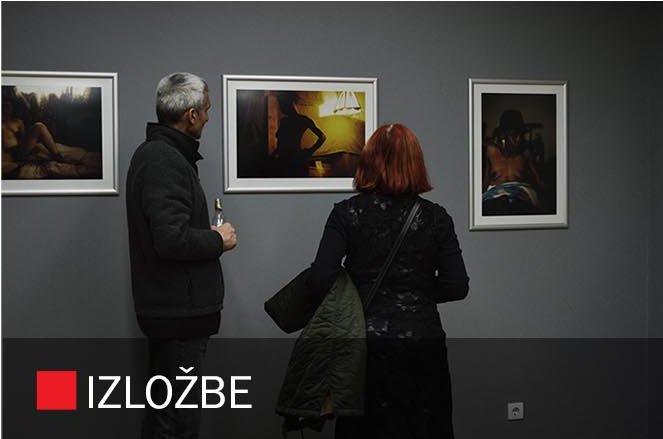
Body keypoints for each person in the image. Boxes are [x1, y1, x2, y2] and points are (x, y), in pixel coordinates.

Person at [306, 123, 469, 438]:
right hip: (422, 341)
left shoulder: (346, 214)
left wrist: (359, 293)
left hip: (365, 344)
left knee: (364, 429)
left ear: (367, 162)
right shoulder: (436, 217)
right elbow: (457, 285)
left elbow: (320, 278)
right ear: (415, 164)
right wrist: (416, 294)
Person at [125, 72, 237, 439]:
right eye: (206, 110)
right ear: (191, 115)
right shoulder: (164, 159)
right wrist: (218, 239)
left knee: (167, 418)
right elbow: (171, 240)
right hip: (178, 317)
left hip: (174, 314)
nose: (208, 117)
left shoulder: (162, 155)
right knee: (176, 424)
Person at [482, 109, 543, 215]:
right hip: (495, 195)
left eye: (521, 135)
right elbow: (485, 182)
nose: (519, 139)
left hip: (521, 194)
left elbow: (539, 182)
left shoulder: (526, 153)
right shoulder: (491, 152)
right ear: (503, 135)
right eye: (514, 135)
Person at [274, 91, 326, 177]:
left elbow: (322, 136)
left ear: (290, 103)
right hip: (284, 161)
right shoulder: (284, 121)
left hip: (296, 161)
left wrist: (309, 151)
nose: (281, 108)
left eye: (282, 104)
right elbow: (281, 143)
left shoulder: (302, 120)